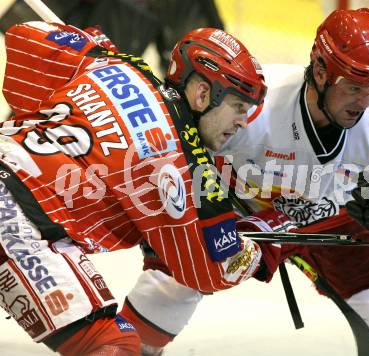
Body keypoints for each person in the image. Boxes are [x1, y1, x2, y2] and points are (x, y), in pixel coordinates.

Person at [118, 8, 369, 356]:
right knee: (168, 288)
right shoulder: (251, 105)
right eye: (354, 86)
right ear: (321, 71)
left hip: (336, 218)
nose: (365, 101)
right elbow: (173, 146)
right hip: (238, 216)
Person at [0, 20, 284, 355]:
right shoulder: (186, 165)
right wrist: (263, 243)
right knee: (112, 346)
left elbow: (25, 41)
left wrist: (89, 47)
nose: (242, 121)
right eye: (238, 106)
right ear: (204, 93)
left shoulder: (114, 66)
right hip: (16, 219)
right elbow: (209, 270)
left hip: (15, 186)